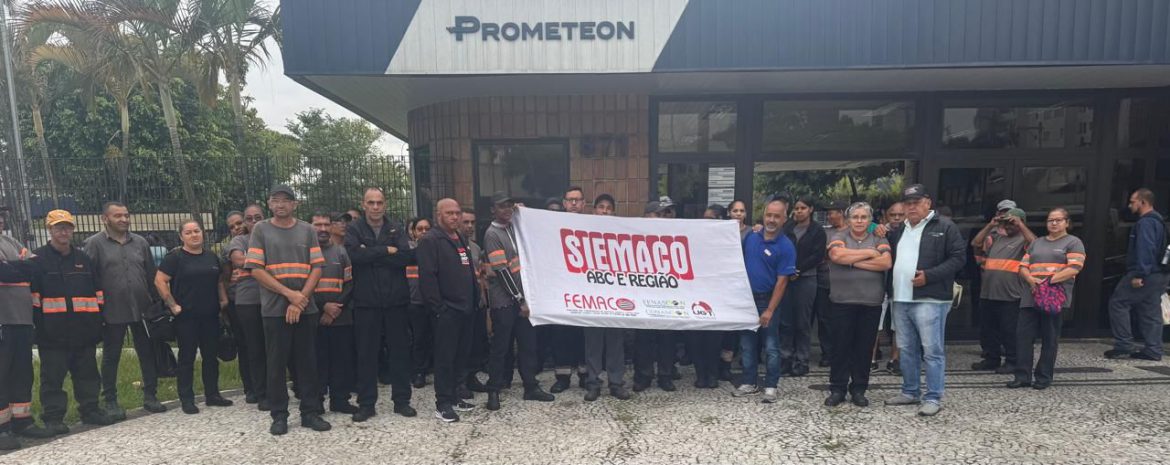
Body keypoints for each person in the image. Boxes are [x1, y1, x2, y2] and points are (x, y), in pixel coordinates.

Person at [246, 185, 331, 435]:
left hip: (306, 307)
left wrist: (300, 298)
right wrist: (289, 295)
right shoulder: (261, 230)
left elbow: (317, 267)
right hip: (275, 309)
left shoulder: (307, 230)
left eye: (286, 200)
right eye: (276, 200)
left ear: (295, 204)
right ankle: (279, 415)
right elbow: (256, 269)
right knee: (276, 364)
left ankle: (310, 412)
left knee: (308, 362)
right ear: (269, 204)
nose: (280, 204)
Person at [29, 210, 117, 433]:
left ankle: (90, 410)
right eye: (59, 227)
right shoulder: (37, 260)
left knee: (88, 375)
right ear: (50, 230)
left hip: (83, 330)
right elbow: (33, 299)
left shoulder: (83, 259)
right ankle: (53, 417)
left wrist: (97, 323)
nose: (64, 231)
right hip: (52, 333)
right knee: (52, 378)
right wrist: (39, 328)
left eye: (67, 227)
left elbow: (98, 293)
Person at [884, 185, 966, 417]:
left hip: (930, 298)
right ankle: (910, 391)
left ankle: (933, 397)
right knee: (906, 348)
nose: (911, 207)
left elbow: (959, 258)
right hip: (901, 297)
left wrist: (929, 276)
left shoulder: (945, 227)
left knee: (931, 350)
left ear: (927, 203)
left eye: (916, 202)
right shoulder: (899, 229)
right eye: (908, 203)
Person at [82, 202, 165, 419]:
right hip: (112, 310)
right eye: (117, 216)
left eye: (126, 215)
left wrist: (157, 304)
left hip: (142, 308)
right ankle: (110, 400)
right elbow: (89, 278)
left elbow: (151, 274)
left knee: (147, 353)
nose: (124, 219)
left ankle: (151, 395)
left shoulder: (140, 243)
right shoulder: (94, 244)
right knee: (111, 356)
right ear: (105, 219)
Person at [344, 187, 416, 422]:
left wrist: (371, 254)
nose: (375, 207)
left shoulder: (395, 227)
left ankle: (402, 401)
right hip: (366, 302)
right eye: (371, 202)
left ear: (385, 204)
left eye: (379, 202)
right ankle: (366, 404)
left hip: (396, 301)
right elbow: (354, 256)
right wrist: (385, 250)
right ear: (363, 204)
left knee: (400, 353)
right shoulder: (354, 228)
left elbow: (405, 257)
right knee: (366, 354)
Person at [483, 192, 558, 410]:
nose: (507, 209)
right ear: (493, 210)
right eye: (502, 206)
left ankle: (530, 386)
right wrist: (520, 299)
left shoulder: (514, 228)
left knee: (528, 345)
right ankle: (493, 390)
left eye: (510, 206)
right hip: (505, 302)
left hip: (523, 299)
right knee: (501, 348)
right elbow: (502, 271)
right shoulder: (492, 234)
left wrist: (524, 214)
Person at [155, 220, 232, 414]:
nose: (193, 235)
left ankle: (212, 394)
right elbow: (160, 280)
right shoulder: (175, 258)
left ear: (202, 233)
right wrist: (172, 304)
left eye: (196, 231)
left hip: (210, 316)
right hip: (186, 317)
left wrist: (223, 300)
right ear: (181, 236)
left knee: (211, 357)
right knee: (186, 358)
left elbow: (219, 281)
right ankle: (187, 399)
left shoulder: (211, 257)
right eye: (188, 232)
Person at [417, 198, 480, 423]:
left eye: (457, 212)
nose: (455, 217)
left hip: (466, 309)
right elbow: (427, 277)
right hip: (447, 311)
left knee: (460, 356)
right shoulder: (430, 240)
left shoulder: (460, 237)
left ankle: (454, 396)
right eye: (449, 213)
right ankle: (443, 403)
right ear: (439, 216)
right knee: (445, 358)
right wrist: (439, 308)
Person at [824, 202, 892, 408]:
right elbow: (836, 255)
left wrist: (851, 262)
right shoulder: (840, 236)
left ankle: (859, 389)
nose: (859, 221)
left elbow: (886, 262)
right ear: (848, 220)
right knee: (840, 348)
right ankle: (837, 389)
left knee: (864, 349)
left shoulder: (879, 237)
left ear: (870, 220)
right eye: (855, 217)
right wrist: (870, 253)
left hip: (870, 303)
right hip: (842, 301)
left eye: (864, 217)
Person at [1011, 208, 1085, 389]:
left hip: (1053, 298)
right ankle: (1022, 376)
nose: (1054, 223)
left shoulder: (1073, 242)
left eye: (1058, 220)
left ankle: (1043, 377)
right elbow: (1023, 266)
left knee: (1049, 338)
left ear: (1067, 222)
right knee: (1023, 337)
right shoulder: (1037, 243)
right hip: (1030, 296)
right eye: (1051, 220)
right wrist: (1030, 279)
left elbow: (1074, 268)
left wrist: (1048, 281)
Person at [734, 196, 796, 404]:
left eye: (777, 216)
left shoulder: (786, 246)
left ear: (784, 219)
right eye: (769, 215)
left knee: (771, 346)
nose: (771, 220)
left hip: (769, 300)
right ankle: (749, 382)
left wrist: (770, 310)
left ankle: (771, 386)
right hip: (746, 299)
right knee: (747, 344)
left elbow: (782, 281)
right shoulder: (751, 237)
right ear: (763, 215)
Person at [1105, 188, 1169, 361]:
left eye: (1133, 201)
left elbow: (1145, 249)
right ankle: (1153, 349)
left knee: (1118, 303)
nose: (1129, 205)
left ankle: (1124, 345)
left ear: (1143, 202)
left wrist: (1139, 274)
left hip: (1146, 272)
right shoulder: (1159, 221)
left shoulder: (1145, 223)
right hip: (1160, 274)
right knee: (1150, 310)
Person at [970, 205, 1035, 374]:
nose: (1008, 226)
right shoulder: (997, 238)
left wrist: (1020, 225)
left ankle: (1012, 361)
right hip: (988, 293)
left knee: (1009, 331)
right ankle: (991, 358)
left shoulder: (1023, 241)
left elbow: (1035, 245)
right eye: (1006, 222)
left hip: (1011, 295)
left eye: (1012, 222)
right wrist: (991, 225)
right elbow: (975, 243)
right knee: (988, 329)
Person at [579, 193, 630, 401]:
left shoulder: (621, 234)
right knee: (593, 344)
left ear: (613, 212)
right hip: (592, 298)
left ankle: (616, 383)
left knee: (615, 343)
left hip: (615, 298)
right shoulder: (584, 233)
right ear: (594, 210)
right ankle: (593, 383)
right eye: (601, 207)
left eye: (609, 208)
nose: (604, 211)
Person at [0, 224, 47, 449]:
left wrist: (13, 267)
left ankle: (22, 420)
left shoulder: (11, 241)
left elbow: (37, 266)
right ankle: (2, 428)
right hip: (2, 321)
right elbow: (5, 273)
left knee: (22, 373)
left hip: (22, 319)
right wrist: (19, 267)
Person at [311, 212, 357, 413]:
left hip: (340, 316)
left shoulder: (341, 252)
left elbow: (350, 284)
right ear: (310, 227)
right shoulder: (305, 252)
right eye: (317, 224)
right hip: (314, 316)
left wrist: (334, 309)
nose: (322, 229)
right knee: (317, 362)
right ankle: (316, 401)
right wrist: (323, 307)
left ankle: (340, 400)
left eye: (326, 224)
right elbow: (301, 285)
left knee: (341, 360)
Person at [633, 200, 680, 393]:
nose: (661, 217)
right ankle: (643, 376)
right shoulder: (635, 235)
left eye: (664, 214)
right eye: (657, 214)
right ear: (646, 216)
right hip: (643, 295)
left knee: (666, 338)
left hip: (667, 295)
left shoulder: (673, 234)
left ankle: (665, 375)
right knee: (643, 339)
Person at [780, 196, 827, 377]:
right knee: (786, 321)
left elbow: (817, 255)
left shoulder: (817, 230)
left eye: (803, 208)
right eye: (797, 208)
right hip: (787, 278)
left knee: (802, 321)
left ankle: (802, 360)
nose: (799, 211)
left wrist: (798, 269)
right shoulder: (787, 228)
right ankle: (786, 358)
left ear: (811, 209)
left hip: (806, 278)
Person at [549, 187, 588, 393]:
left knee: (583, 335)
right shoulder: (552, 225)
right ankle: (562, 377)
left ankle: (585, 375)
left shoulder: (592, 226)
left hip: (586, 290)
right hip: (561, 289)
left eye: (577, 200)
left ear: (584, 203)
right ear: (564, 203)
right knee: (561, 335)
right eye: (570, 200)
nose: (573, 203)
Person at [685, 204, 729, 389]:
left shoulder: (727, 240)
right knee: (695, 338)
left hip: (716, 295)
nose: (705, 222)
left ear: (720, 220)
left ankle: (712, 375)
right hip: (696, 294)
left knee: (713, 339)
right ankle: (700, 375)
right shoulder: (696, 237)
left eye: (709, 219)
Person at [229, 204, 268, 407]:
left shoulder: (271, 236)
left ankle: (275, 388)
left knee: (274, 347)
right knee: (254, 348)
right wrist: (268, 262)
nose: (254, 222)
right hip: (248, 301)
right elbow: (238, 259)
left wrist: (252, 262)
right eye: (249, 218)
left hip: (272, 299)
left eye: (258, 217)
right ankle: (259, 392)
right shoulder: (239, 241)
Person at [460, 207, 490, 397]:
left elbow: (481, 277)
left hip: (477, 304)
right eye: (466, 222)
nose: (470, 226)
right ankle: (460, 382)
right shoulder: (451, 245)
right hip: (461, 304)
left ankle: (472, 377)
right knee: (461, 346)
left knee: (475, 344)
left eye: (472, 222)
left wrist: (484, 301)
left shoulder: (476, 248)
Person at [873, 202, 906, 374]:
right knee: (874, 324)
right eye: (893, 214)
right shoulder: (877, 232)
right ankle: (871, 359)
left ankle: (895, 359)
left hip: (901, 284)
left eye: (901, 214)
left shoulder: (911, 232)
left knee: (898, 325)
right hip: (879, 283)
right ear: (886, 215)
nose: (897, 218)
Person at [720, 199, 750, 381]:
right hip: (722, 285)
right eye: (735, 210)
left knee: (733, 330)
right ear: (728, 213)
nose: (738, 214)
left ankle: (726, 365)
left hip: (741, 286)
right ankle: (715, 364)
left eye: (742, 210)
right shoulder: (719, 231)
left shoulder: (752, 233)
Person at [406, 217, 433, 388]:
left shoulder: (438, 250)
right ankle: (419, 372)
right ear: (413, 232)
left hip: (434, 302)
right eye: (420, 229)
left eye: (427, 229)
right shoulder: (407, 251)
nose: (423, 232)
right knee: (418, 339)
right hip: (414, 302)